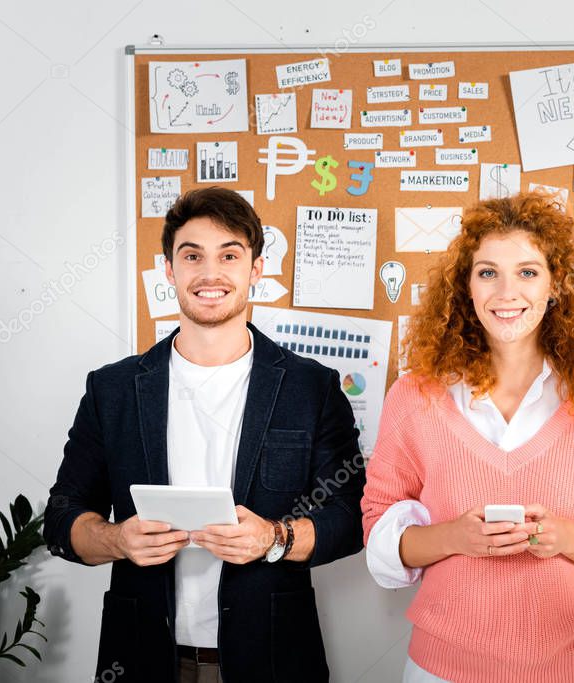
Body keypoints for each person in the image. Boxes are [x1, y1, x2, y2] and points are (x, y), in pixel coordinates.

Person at [43, 187, 365, 683]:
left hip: (274, 659)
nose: (210, 274)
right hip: (142, 659)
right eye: (192, 255)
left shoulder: (312, 388)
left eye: (229, 255)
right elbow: (62, 517)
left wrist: (274, 538)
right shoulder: (113, 390)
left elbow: (349, 518)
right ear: (170, 270)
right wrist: (116, 539)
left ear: (255, 270)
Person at [361, 192, 574, 682]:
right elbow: (380, 535)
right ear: (466, 286)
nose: (506, 292)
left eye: (528, 272)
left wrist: (563, 537)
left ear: (555, 284)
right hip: (440, 669)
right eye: (488, 272)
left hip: (568, 668)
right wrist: (457, 537)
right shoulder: (415, 396)